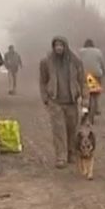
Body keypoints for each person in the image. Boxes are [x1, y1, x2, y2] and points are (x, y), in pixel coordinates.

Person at [40, 36, 89, 169]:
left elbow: (83, 82)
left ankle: (71, 153)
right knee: (58, 130)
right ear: (53, 47)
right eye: (56, 45)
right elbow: (43, 81)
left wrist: (85, 99)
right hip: (55, 101)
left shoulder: (75, 62)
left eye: (61, 45)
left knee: (72, 129)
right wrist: (45, 97)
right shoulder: (46, 62)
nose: (59, 48)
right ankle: (60, 157)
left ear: (66, 46)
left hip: (71, 101)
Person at [78, 39, 105, 115]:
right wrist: (103, 72)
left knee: (85, 94)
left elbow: (77, 63)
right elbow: (102, 64)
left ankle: (84, 110)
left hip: (84, 74)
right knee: (96, 93)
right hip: (96, 74)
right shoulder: (98, 51)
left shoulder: (81, 52)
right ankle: (96, 108)